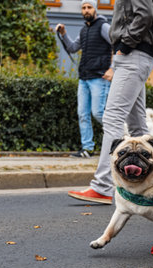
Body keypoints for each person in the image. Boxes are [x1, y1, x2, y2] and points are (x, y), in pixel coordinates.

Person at [67, 0, 153, 204]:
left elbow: (144, 13)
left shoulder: (102, 25)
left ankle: (103, 186)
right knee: (137, 127)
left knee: (112, 119)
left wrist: (124, 45)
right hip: (136, 54)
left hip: (133, 54)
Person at [56, 0, 112, 158]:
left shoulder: (103, 26)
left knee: (98, 113)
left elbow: (117, 44)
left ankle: (122, 136)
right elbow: (73, 48)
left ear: (95, 9)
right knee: (83, 114)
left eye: (89, 7)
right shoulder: (83, 30)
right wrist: (63, 34)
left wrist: (113, 69)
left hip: (99, 78)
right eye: (84, 8)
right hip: (84, 78)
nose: (86, 10)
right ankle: (87, 149)